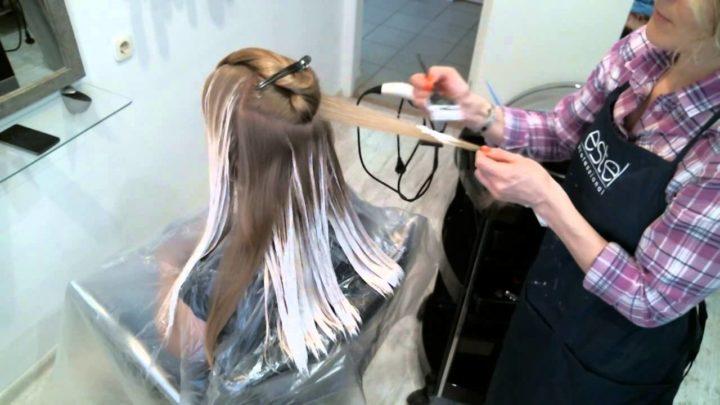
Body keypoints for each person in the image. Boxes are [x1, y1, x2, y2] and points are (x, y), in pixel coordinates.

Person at [410, 0, 719, 403]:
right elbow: (561, 131)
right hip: (551, 296)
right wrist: (478, 113)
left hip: (612, 360)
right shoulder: (644, 50)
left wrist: (547, 200)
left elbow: (651, 299)